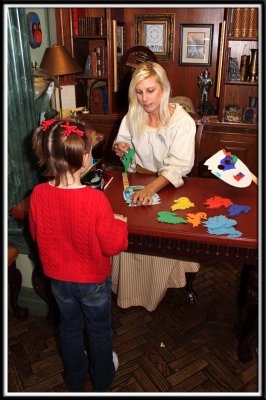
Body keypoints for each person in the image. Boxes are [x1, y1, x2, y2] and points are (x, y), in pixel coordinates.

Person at [29, 118, 128, 392]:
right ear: (85, 157)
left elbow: (38, 236)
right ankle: (103, 378)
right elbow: (112, 246)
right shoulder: (96, 200)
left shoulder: (37, 194)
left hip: (58, 280)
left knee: (69, 329)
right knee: (98, 331)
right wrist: (119, 222)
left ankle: (74, 377)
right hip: (92, 281)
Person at [112, 61, 200, 311]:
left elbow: (176, 168)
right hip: (136, 180)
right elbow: (121, 142)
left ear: (164, 88)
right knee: (128, 227)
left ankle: (166, 282)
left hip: (171, 186)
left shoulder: (182, 122)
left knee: (164, 233)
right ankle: (129, 289)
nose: (144, 98)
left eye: (150, 90)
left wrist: (150, 189)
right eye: (139, 92)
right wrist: (121, 148)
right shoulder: (133, 114)